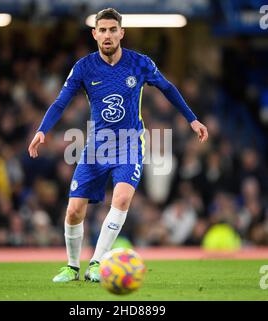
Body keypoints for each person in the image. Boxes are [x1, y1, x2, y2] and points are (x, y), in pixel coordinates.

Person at [28, 8, 208, 282]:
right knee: (75, 210)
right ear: (95, 34)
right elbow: (60, 101)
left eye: (113, 30)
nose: (108, 35)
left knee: (121, 198)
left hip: (129, 144)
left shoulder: (140, 63)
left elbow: (168, 88)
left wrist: (192, 119)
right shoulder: (84, 67)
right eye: (103, 30)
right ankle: (73, 267)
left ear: (121, 33)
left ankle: (97, 263)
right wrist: (42, 130)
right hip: (96, 146)